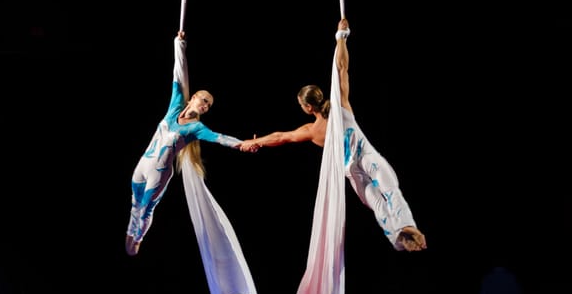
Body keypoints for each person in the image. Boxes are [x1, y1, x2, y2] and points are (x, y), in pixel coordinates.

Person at [240, 18, 426, 252]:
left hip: (354, 169)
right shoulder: (342, 105)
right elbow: (341, 68)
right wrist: (341, 37)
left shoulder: (312, 130)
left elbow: (280, 136)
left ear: (308, 108)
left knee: (378, 203)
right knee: (390, 191)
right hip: (365, 158)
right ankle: (406, 229)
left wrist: (254, 141)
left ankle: (402, 235)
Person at [126, 30, 245, 257]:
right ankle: (132, 231)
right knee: (134, 204)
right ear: (193, 98)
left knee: (145, 210)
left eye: (209, 106)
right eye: (204, 100)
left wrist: (244, 143)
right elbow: (178, 74)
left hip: (159, 173)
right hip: (143, 164)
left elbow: (221, 138)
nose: (205, 106)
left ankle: (138, 236)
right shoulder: (175, 106)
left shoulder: (196, 128)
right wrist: (179, 44)